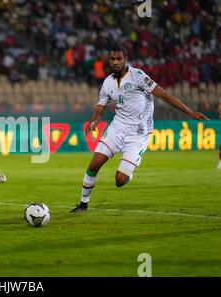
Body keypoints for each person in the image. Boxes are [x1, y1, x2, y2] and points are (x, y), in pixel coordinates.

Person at [71, 44, 209, 213]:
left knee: (120, 180)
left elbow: (164, 95)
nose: (115, 62)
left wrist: (190, 112)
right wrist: (95, 119)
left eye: (119, 59)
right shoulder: (107, 83)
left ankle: (129, 171)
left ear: (125, 60)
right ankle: (83, 204)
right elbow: (101, 107)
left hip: (138, 133)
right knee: (94, 165)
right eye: (112, 59)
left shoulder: (138, 76)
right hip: (117, 128)